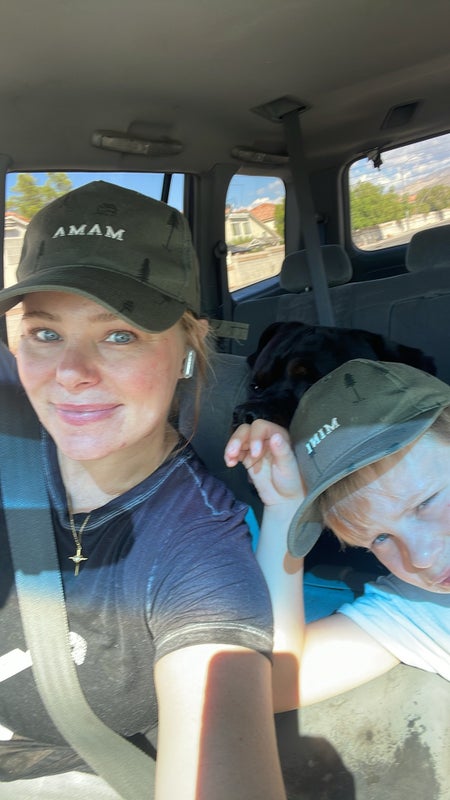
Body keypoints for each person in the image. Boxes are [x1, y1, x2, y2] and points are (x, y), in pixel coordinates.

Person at [0, 181, 286, 799]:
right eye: (45, 333)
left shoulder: (199, 547)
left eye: (120, 334)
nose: (71, 374)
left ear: (189, 346)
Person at [225, 358, 450, 711]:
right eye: (379, 539)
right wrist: (285, 507)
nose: (420, 558)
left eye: (426, 502)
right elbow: (267, 683)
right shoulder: (420, 609)